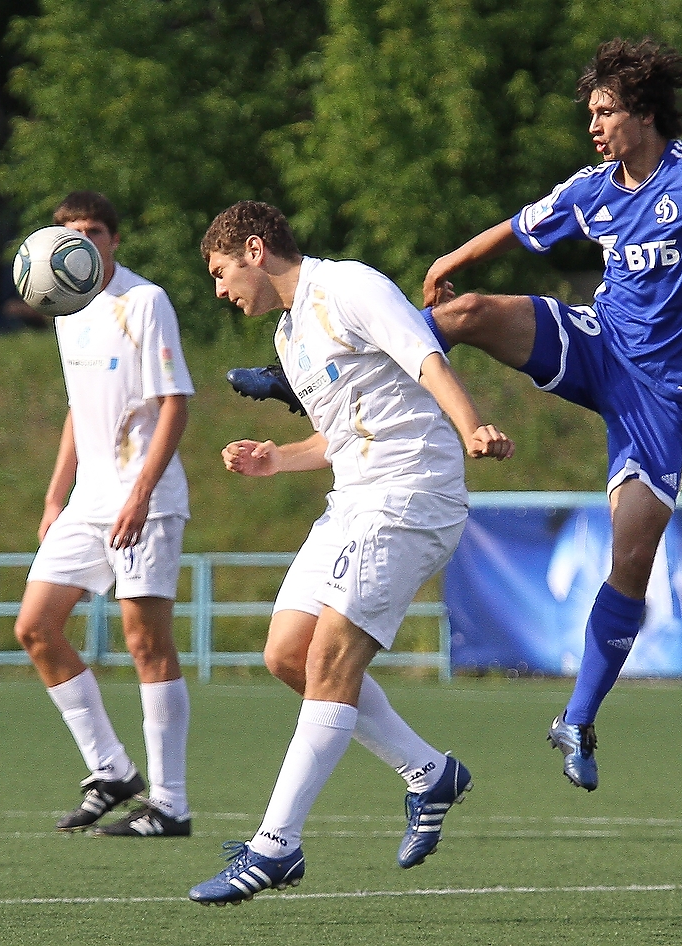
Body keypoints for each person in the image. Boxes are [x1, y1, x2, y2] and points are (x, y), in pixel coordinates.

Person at [420, 38, 682, 792]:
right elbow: (521, 223)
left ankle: (575, 718)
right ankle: (315, 373)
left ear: (643, 114)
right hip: (597, 344)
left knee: (631, 557)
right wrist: (451, 262)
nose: (594, 125)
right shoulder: (593, 187)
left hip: (663, 398)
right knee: (467, 312)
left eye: (605, 111)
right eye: (593, 112)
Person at [188, 200, 513, 906]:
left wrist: (471, 426)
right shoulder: (287, 333)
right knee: (287, 655)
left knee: (331, 657)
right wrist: (278, 458)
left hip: (411, 492)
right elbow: (342, 433)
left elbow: (423, 355)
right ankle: (430, 772)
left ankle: (275, 846)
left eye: (219, 272)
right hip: (354, 498)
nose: (218, 291)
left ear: (252, 249)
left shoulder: (349, 287)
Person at [14, 191, 195, 838]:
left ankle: (170, 804)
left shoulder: (144, 302)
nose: (81, 243)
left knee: (147, 644)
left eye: (92, 232)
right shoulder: (65, 305)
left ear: (114, 240)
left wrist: (140, 495)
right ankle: (112, 772)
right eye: (70, 233)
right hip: (86, 501)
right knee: (35, 628)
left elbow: (173, 403)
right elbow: (78, 409)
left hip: (142, 499)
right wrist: (53, 497)